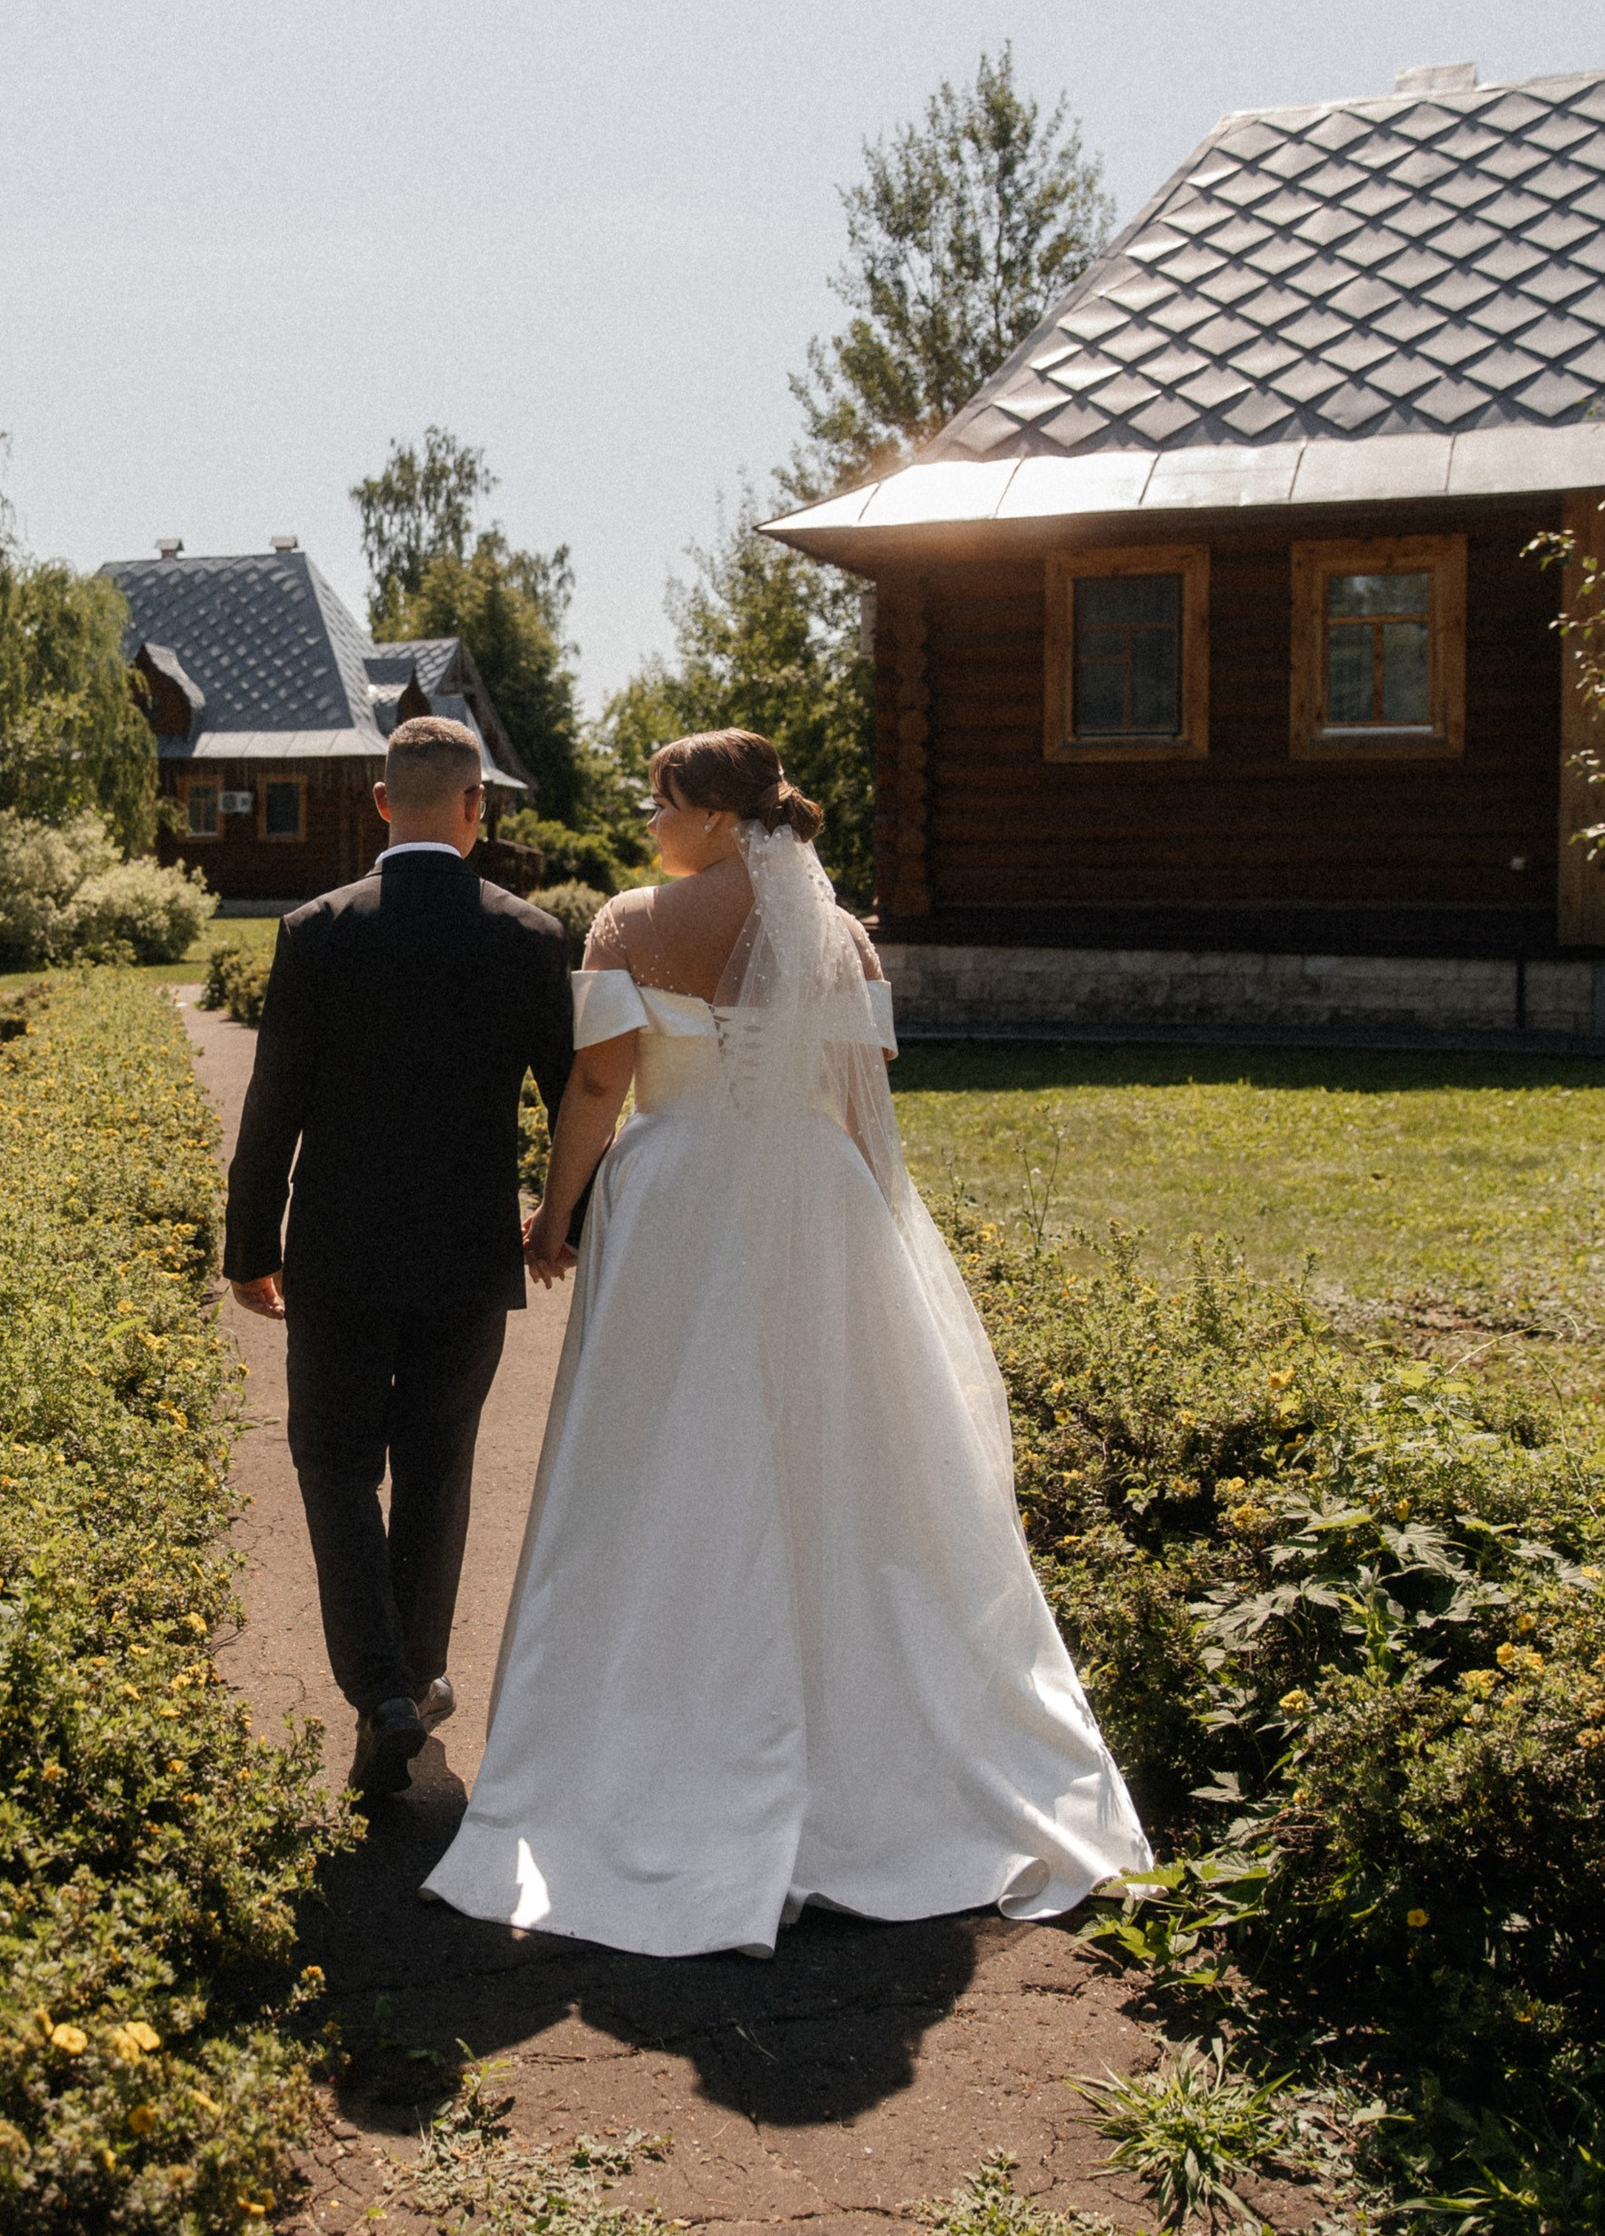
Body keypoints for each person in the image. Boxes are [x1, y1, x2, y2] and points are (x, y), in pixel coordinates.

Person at [422, 727, 1146, 1955]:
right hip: (817, 1194)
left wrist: (553, 1214)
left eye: (660, 803)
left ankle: (655, 1725)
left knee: (661, 1450)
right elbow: (862, 1102)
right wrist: (876, 1230)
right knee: (838, 1456)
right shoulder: (840, 932)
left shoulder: (630, 922)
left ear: (711, 815)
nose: (650, 824)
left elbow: (596, 1087)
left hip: (677, 1200)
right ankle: (875, 1734)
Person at [225, 715, 576, 1800]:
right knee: (436, 1466)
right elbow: (574, 1102)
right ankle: (412, 1683)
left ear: (382, 803)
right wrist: (560, 1221)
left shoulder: (316, 930)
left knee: (333, 1463)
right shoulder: (529, 936)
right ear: (478, 808)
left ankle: (381, 1693)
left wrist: (249, 1245)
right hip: (467, 1255)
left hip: (337, 1250)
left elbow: (273, 1104)